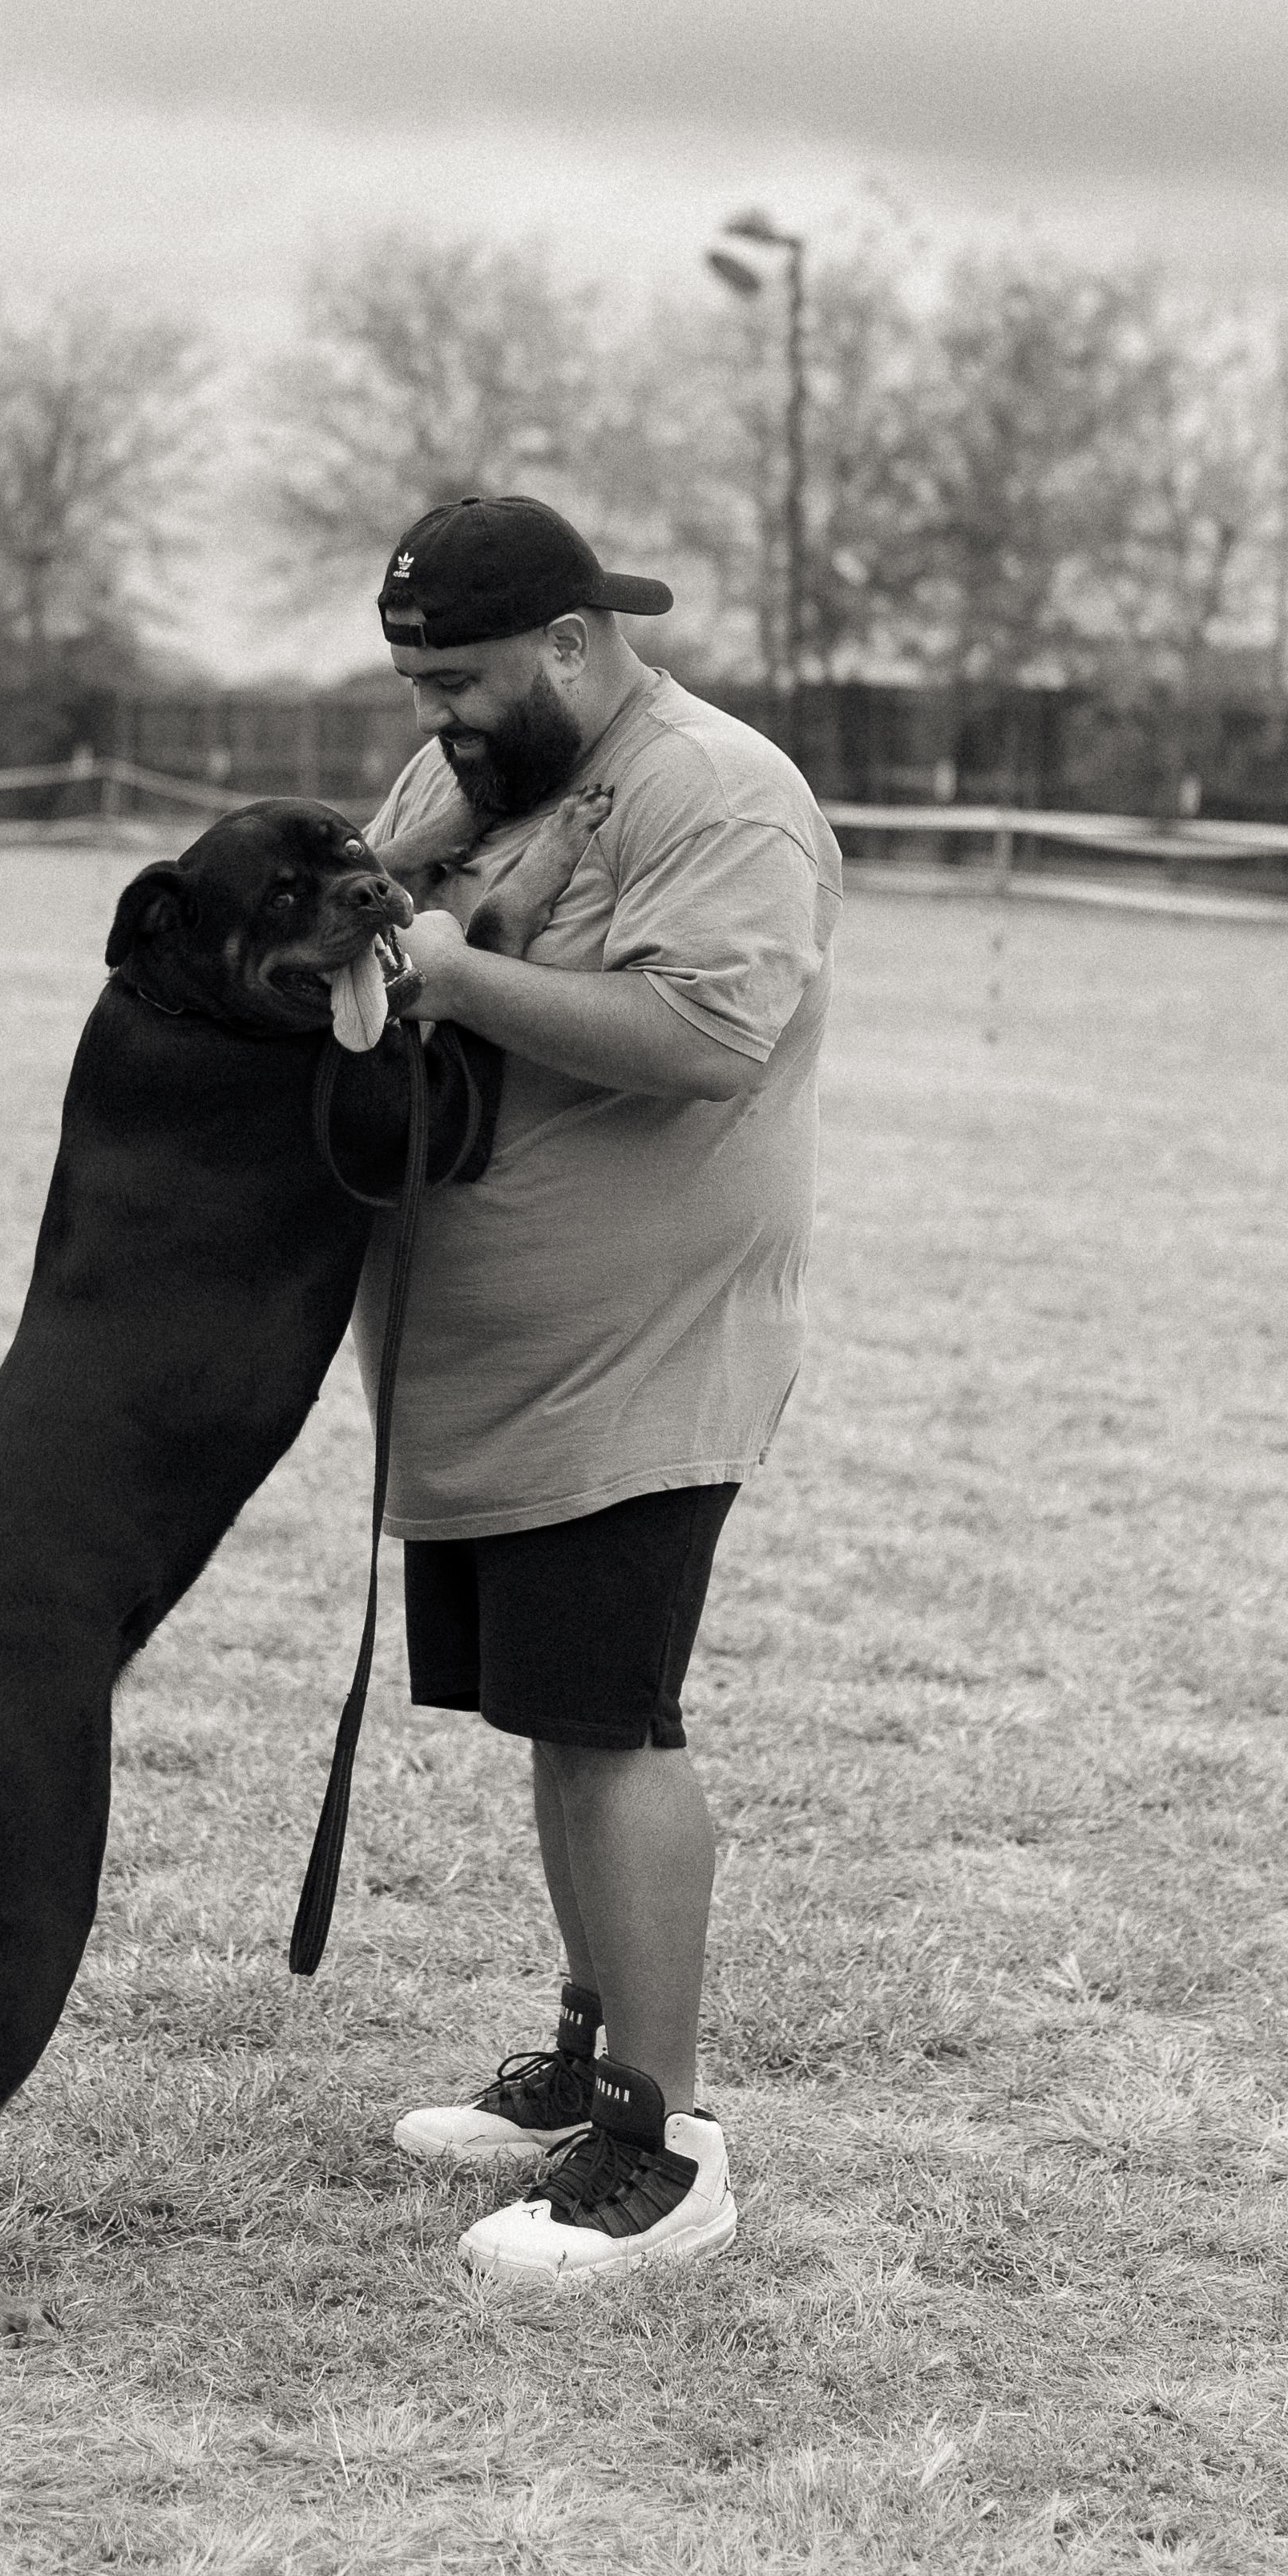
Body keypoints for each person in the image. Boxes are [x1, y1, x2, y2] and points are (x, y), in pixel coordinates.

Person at [354, 493, 841, 2288]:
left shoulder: (717, 789)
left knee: (616, 1721)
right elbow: (385, 903)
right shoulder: (484, 775)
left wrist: (463, 976)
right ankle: (588, 2050)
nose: (439, 715)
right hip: (498, 1358)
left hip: (638, 1353)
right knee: (559, 1719)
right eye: (416, 683)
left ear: (571, 642)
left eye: (464, 678)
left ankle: (664, 2137)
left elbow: (711, 1039)